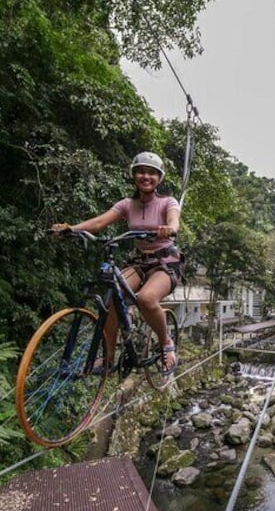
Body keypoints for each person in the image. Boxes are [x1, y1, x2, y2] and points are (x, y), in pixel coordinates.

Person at [51, 151, 183, 373]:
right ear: (134, 175)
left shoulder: (167, 202)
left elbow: (174, 220)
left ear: (159, 178)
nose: (146, 177)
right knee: (113, 296)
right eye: (141, 171)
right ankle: (108, 358)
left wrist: (169, 229)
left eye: (152, 173)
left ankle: (166, 344)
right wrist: (71, 229)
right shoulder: (126, 205)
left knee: (147, 298)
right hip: (139, 263)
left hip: (165, 263)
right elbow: (100, 222)